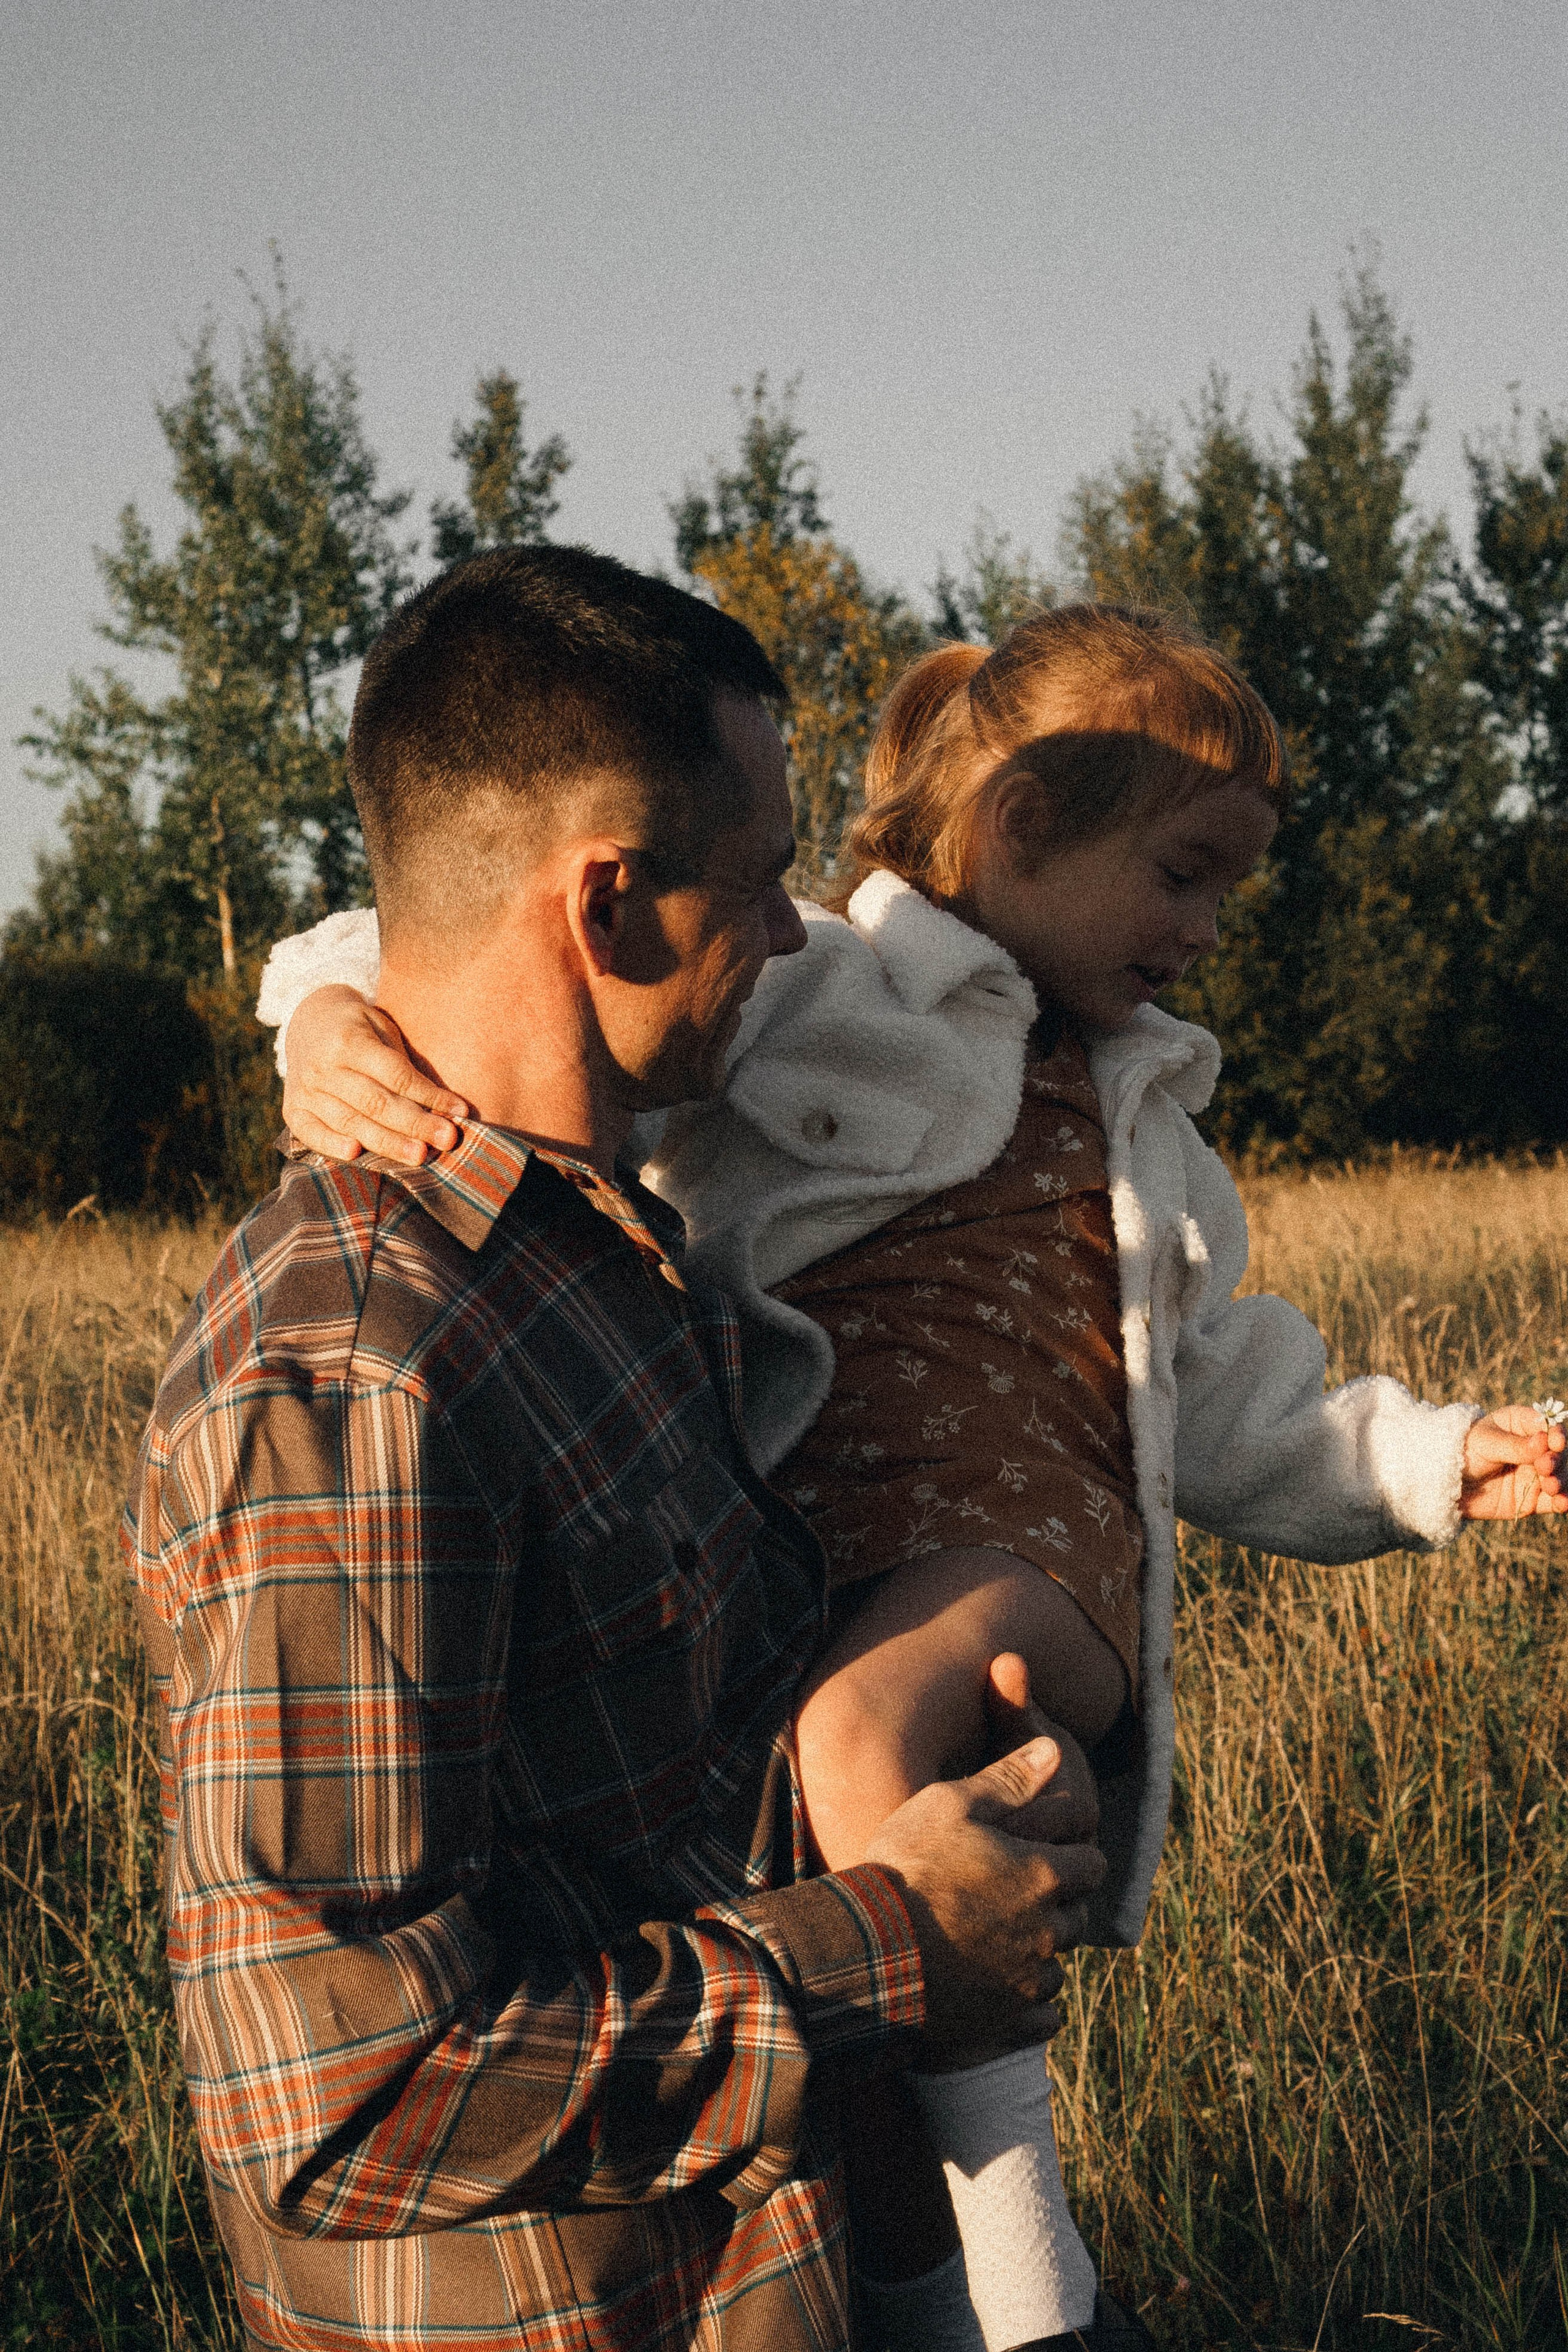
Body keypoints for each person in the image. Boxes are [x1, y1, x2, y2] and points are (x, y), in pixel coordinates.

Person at [266, 602, 1566, 2352]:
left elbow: (1231, 1383)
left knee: (853, 1747)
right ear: (1025, 829)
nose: (1202, 932)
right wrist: (323, 1020)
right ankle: (902, 2280)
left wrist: (1429, 1457)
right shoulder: (817, 983)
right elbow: (451, 917)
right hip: (821, 1571)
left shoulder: (1147, 1115)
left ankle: (1035, 2297)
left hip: (1035, 1561)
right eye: (1182, 875)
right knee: (828, 1953)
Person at [126, 546, 1112, 2352]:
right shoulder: (360, 1372)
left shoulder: (610, 1253)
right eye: (760, 881)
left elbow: (660, 1803)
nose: (805, 935)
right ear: (610, 905)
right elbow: (344, 2101)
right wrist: (896, 1941)